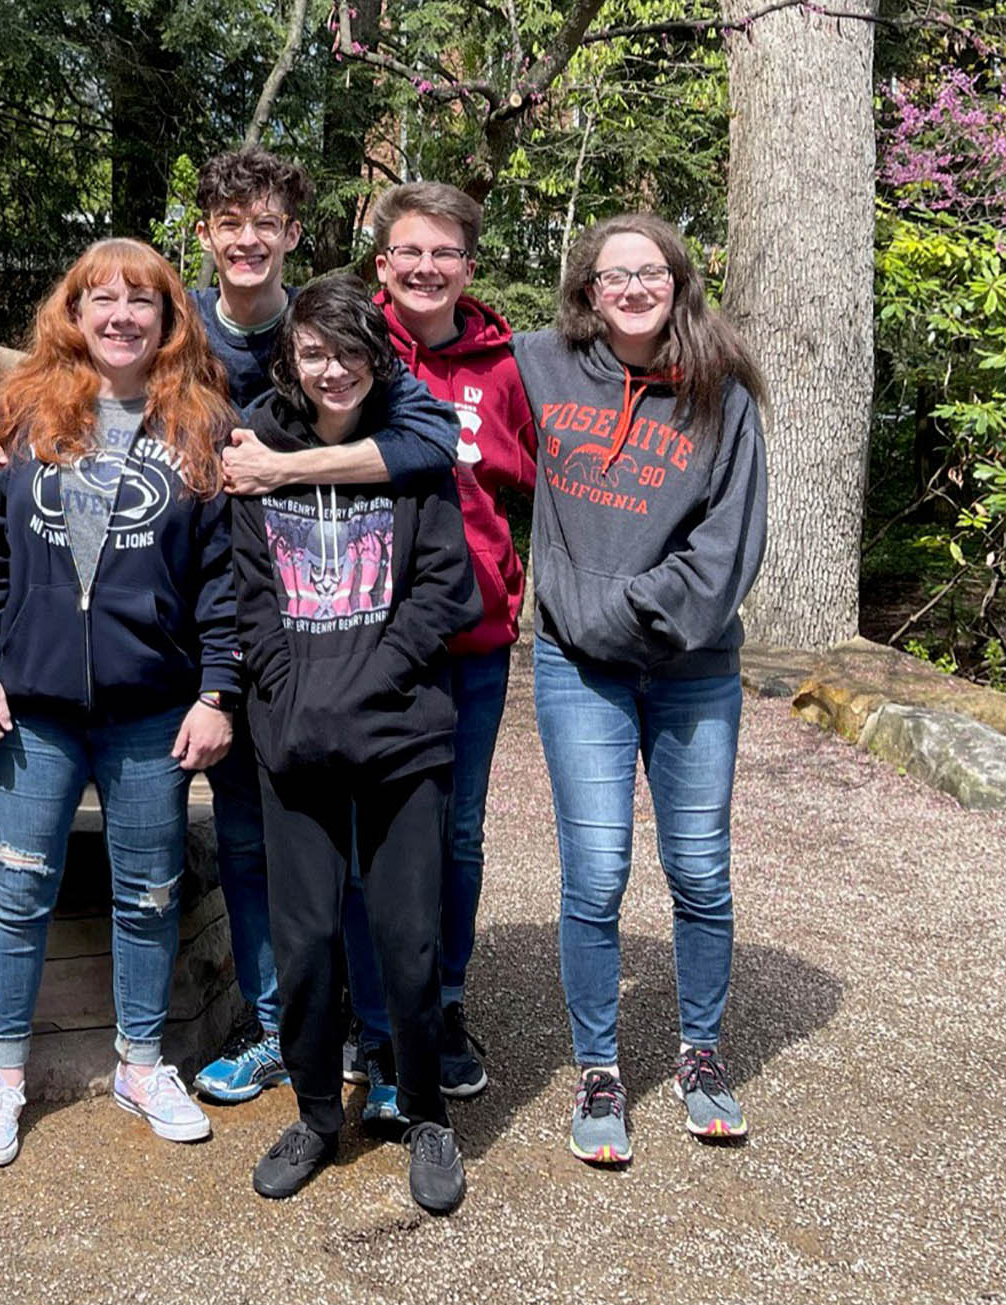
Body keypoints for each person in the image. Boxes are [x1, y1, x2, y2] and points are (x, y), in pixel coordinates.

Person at [0, 147, 461, 1108]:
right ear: (207, 237)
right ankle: (281, 1027)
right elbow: (14, 466)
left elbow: (429, 436)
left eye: (266, 222)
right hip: (223, 664)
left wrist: (282, 472)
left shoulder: (321, 326)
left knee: (366, 858)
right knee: (250, 848)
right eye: (231, 223)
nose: (248, 239)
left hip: (313, 656)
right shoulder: (149, 324)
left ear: (293, 236)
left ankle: (378, 1038)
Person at [0, 237, 241, 1167]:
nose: (120, 316)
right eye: (100, 299)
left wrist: (218, 689)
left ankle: (142, 1062)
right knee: (19, 888)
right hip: (32, 707)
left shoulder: (204, 426)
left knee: (149, 893)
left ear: (167, 316)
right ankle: (2, 1074)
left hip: (154, 709)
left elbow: (227, 575)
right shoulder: (17, 414)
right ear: (72, 314)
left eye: (140, 300)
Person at [513, 213, 768, 1165]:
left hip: (692, 668)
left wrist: (615, 610)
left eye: (649, 271)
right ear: (586, 288)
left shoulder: (722, 393)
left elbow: (725, 550)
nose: (631, 287)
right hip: (577, 670)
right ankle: (600, 1068)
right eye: (613, 274)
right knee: (597, 871)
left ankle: (700, 1055)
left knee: (698, 867)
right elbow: (417, 369)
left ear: (678, 281)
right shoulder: (540, 364)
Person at [231, 273, 481, 1215]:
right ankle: (312, 1113)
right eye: (314, 352)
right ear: (292, 360)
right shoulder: (256, 455)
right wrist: (293, 700)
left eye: (350, 353)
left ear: (378, 360)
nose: (333, 370)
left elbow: (443, 593)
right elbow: (248, 592)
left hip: (402, 736)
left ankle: (424, 1114)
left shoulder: (411, 464)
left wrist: (367, 686)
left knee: (408, 939)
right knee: (303, 943)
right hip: (291, 736)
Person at [335, 182, 539, 1116]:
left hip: (472, 638)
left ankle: (444, 1002)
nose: (425, 268)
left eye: (444, 252)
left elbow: (557, 474)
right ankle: (367, 1008)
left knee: (457, 828)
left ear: (468, 263)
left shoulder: (509, 367)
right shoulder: (346, 347)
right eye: (408, 251)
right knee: (359, 827)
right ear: (382, 261)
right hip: (360, 633)